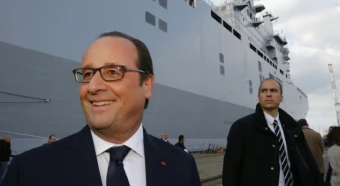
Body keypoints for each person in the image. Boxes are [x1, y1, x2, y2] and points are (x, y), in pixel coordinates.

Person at [3, 31, 201, 186]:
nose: (93, 86)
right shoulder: (28, 172)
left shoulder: (182, 166)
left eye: (113, 72)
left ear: (147, 85)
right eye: (88, 74)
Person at [223, 78, 324, 186]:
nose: (268, 94)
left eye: (273, 91)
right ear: (259, 97)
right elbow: (230, 171)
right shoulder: (241, 127)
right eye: (264, 91)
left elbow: (308, 162)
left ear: (281, 97)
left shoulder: (293, 128)